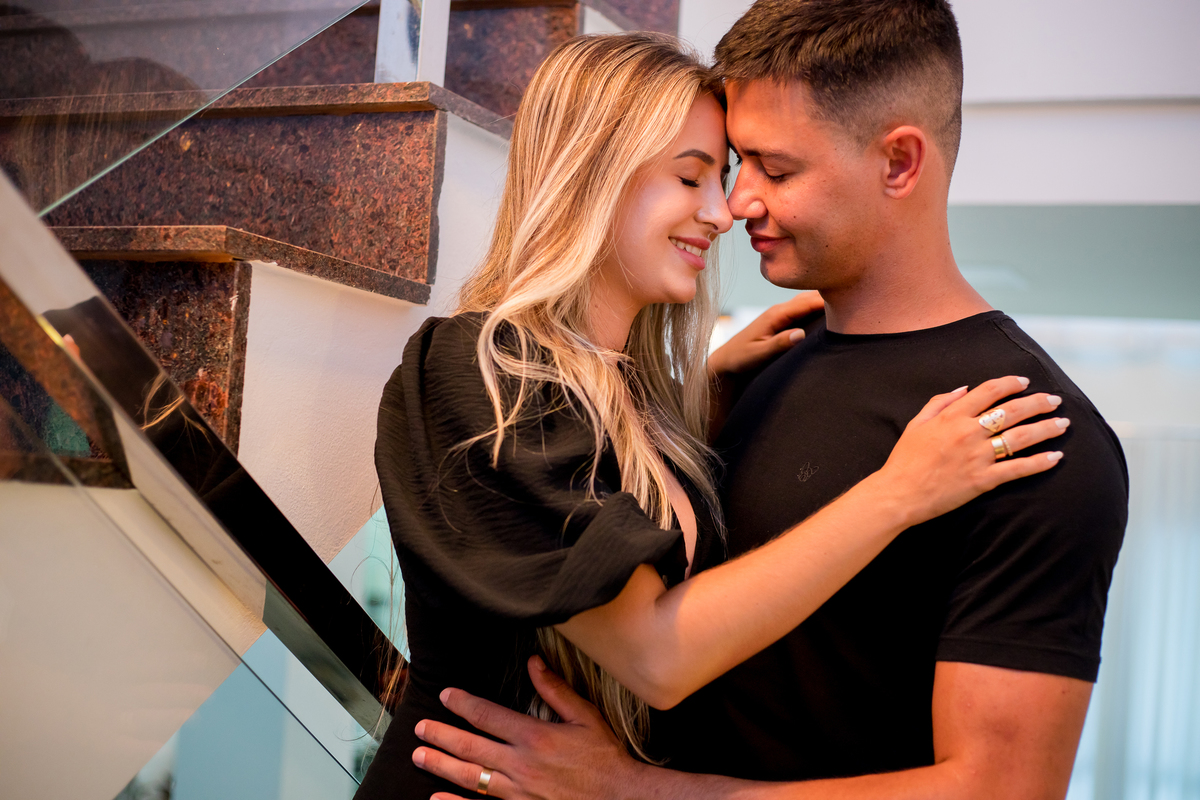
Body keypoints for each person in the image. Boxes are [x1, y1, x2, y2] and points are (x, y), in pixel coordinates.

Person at [406, 2, 1130, 799]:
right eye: (725, 169)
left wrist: (633, 793)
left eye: (772, 170)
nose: (736, 205)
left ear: (898, 162)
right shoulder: (753, 375)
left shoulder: (1023, 434)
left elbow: (1001, 790)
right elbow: (651, 629)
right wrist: (697, 406)